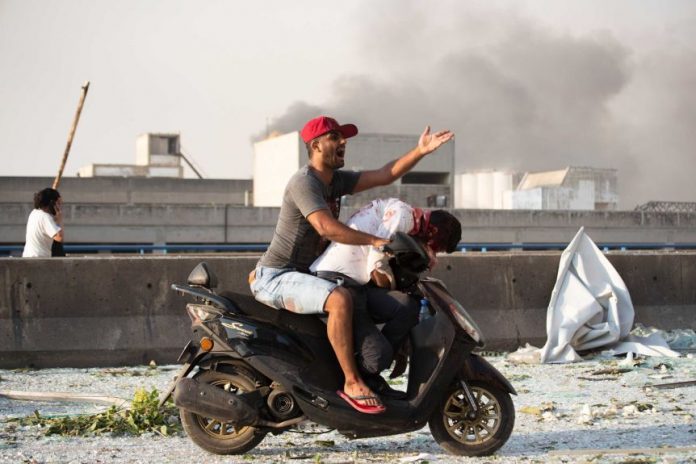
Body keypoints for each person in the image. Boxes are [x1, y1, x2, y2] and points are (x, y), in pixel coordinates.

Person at [249, 115, 453, 414]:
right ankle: (352, 382)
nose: (343, 142)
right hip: (278, 276)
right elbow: (326, 228)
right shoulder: (304, 182)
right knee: (340, 299)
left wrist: (420, 151)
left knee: (403, 305)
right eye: (334, 137)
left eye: (343, 137)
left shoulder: (335, 181)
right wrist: (374, 241)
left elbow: (385, 174)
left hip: (305, 275)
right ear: (316, 145)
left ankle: (371, 373)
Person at [310, 199, 462, 396]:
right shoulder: (402, 217)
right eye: (435, 247)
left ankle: (373, 368)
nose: (432, 252)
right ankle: (357, 376)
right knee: (378, 358)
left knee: (407, 307)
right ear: (432, 231)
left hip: (356, 283)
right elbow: (376, 270)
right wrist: (401, 279)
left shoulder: (404, 215)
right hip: (338, 281)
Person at [22, 188, 64, 258]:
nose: (59, 207)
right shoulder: (45, 217)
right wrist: (60, 220)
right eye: (58, 203)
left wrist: (55, 220)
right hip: (39, 258)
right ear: (52, 203)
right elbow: (59, 237)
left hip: (28, 257)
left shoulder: (34, 213)